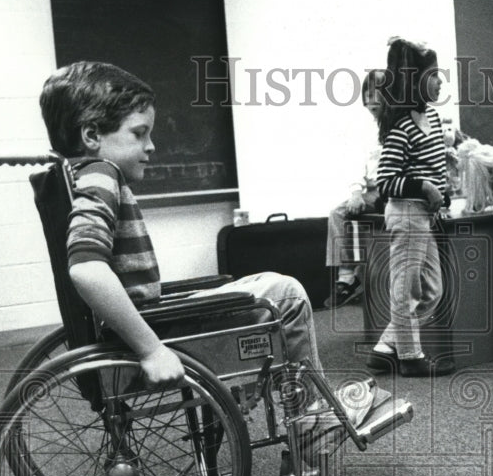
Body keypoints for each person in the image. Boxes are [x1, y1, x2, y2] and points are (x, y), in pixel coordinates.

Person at [44, 61, 326, 411]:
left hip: (148, 320)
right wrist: (151, 349)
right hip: (156, 333)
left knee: (261, 283)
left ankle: (266, 395)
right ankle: (311, 420)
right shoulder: (101, 175)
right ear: (91, 135)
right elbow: (86, 268)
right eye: (139, 133)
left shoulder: (80, 176)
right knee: (287, 296)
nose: (151, 146)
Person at [367, 37, 454, 378]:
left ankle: (383, 349)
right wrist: (424, 186)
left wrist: (439, 191)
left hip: (424, 217)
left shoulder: (431, 118)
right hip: (406, 213)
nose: (440, 81)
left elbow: (432, 167)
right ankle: (410, 356)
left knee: (432, 290)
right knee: (404, 288)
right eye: (434, 75)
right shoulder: (401, 127)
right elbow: (385, 181)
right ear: (415, 80)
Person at [324, 69, 387, 308]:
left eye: (378, 94)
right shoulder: (366, 130)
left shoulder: (397, 125)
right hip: (374, 191)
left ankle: (357, 277)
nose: (372, 100)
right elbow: (357, 163)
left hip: (393, 189)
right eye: (368, 95)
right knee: (338, 213)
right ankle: (347, 278)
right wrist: (356, 191)